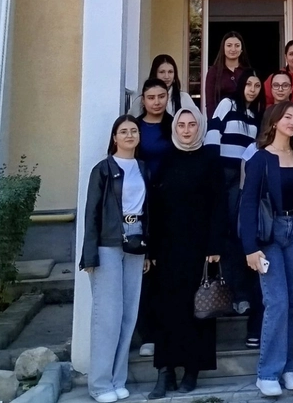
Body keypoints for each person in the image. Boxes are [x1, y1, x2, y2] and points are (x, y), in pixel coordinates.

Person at [240, 103, 293, 397]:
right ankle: (267, 373)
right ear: (274, 122)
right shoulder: (259, 158)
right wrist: (250, 248)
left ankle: (288, 367)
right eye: (288, 117)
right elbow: (248, 203)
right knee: (277, 302)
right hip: (269, 235)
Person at [149, 108, 225, 397]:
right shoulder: (166, 159)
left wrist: (215, 245)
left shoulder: (210, 159)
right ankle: (165, 371)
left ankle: (192, 370)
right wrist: (152, 247)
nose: (186, 129)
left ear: (199, 127)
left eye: (192, 124)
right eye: (181, 124)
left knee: (197, 310)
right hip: (168, 248)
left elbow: (219, 204)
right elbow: (155, 206)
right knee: (167, 309)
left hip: (200, 249)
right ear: (175, 128)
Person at [80, 115, 150, 403]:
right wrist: (89, 255)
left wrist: (149, 251)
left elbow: (149, 211)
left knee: (128, 314)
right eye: (124, 131)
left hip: (136, 243)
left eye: (134, 130)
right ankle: (99, 385)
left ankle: (118, 379)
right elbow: (91, 213)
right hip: (108, 244)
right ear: (115, 137)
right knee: (107, 316)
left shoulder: (143, 168)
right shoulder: (103, 169)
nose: (129, 135)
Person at [206, 69, 266, 316]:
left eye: (257, 85)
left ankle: (241, 293)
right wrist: (213, 171)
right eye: (249, 84)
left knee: (237, 231)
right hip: (222, 173)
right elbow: (213, 134)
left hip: (242, 177)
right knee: (225, 231)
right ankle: (229, 293)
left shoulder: (255, 115)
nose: (252, 89)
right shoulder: (227, 104)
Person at [134, 79, 173, 359]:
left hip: (171, 204)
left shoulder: (175, 124)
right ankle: (147, 334)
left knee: (167, 270)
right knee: (145, 270)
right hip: (142, 204)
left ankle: (167, 330)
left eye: (161, 96)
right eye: (151, 97)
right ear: (143, 100)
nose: (157, 102)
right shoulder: (134, 127)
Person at [205, 31, 250, 117]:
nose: (233, 49)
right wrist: (213, 122)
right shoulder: (214, 71)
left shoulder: (247, 71)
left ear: (241, 49)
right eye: (229, 45)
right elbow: (210, 103)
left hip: (244, 118)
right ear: (223, 48)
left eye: (237, 46)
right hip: (221, 119)